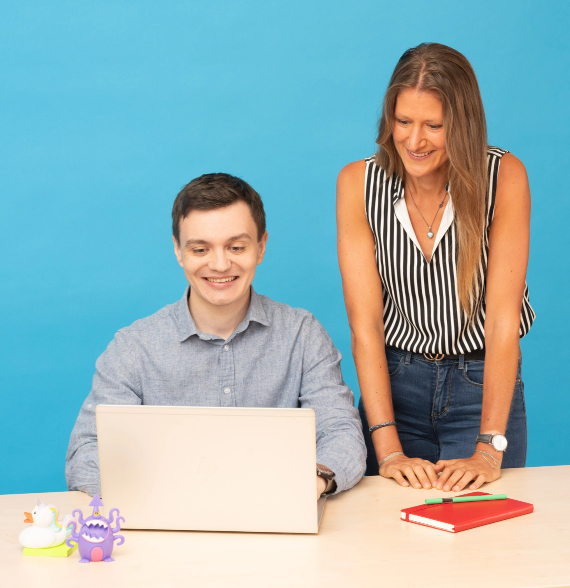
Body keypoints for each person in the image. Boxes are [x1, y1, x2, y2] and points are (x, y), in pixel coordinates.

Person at [66, 173, 366, 498]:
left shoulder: (303, 335)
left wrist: (312, 482)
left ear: (261, 246)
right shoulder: (133, 348)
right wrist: (155, 497)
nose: (220, 264)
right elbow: (88, 450)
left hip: (278, 520)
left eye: (236, 247)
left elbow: (341, 431)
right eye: (200, 249)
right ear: (178, 251)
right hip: (163, 526)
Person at [336, 43, 534, 493]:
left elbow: (502, 322)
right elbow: (364, 325)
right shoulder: (357, 184)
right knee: (386, 540)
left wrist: (488, 447)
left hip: (481, 385)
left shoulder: (503, 177)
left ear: (462, 125)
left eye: (433, 126)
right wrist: (386, 447)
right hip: (396, 385)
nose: (414, 140)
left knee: (486, 543)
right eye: (403, 121)